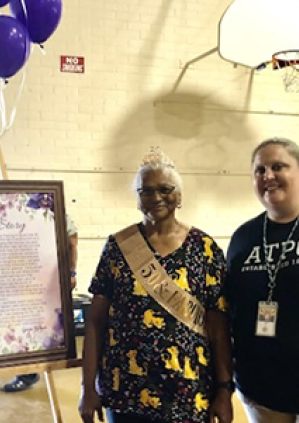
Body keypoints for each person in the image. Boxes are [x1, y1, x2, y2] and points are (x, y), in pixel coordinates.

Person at [79, 147, 234, 423]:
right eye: (146, 191)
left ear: (180, 196)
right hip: (125, 392)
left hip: (188, 392)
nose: (156, 197)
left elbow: (217, 324)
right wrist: (87, 387)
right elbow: (95, 321)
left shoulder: (205, 248)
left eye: (165, 189)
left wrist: (223, 390)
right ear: (137, 199)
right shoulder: (118, 246)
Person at [225, 138, 299, 423]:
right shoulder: (244, 237)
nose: (268, 176)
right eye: (259, 170)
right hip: (261, 384)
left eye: (278, 166)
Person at [0, 213, 80, 394]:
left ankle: (18, 373)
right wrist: (72, 272)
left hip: (25, 275)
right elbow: (72, 241)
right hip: (7, 275)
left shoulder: (47, 205)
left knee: (22, 325)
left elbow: (71, 241)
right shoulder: (40, 205)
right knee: (12, 324)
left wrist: (72, 273)